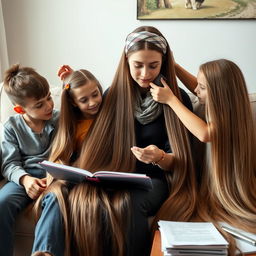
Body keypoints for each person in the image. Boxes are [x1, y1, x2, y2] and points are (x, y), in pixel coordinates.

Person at [70, 25, 198, 256]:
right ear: (126, 61)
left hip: (156, 181)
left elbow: (179, 162)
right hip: (117, 175)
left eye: (153, 65)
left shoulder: (177, 99)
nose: (145, 74)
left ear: (164, 63)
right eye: (137, 65)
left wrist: (159, 157)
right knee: (86, 200)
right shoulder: (112, 95)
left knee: (128, 203)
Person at [151, 59, 256, 255]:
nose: (196, 91)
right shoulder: (228, 105)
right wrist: (174, 66)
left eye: (202, 87)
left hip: (225, 192)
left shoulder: (226, 120)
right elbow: (202, 87)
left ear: (218, 94)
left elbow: (204, 134)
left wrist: (170, 99)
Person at [32, 67, 103, 256]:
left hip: (97, 178)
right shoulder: (69, 124)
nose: (93, 102)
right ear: (72, 102)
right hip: (72, 177)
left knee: (83, 201)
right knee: (55, 196)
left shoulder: (108, 115)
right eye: (84, 100)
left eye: (95, 94)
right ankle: (44, 253)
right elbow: (59, 155)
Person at [0, 64, 58, 256]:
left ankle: (43, 252)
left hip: (54, 178)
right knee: (3, 202)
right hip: (24, 178)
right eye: (39, 104)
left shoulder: (59, 120)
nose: (49, 105)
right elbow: (9, 164)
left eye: (49, 97)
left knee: (56, 200)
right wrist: (25, 180)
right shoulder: (11, 127)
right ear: (19, 109)